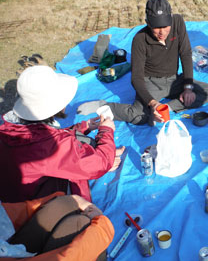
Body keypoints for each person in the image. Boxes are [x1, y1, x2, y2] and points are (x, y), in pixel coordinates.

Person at [77, 0, 208, 125]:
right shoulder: (140, 39)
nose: (162, 32)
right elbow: (136, 78)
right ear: (148, 23)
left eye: (165, 27)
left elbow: (185, 54)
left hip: (174, 80)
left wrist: (188, 87)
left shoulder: (178, 22)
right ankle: (105, 106)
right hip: (151, 83)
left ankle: (167, 108)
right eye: (156, 28)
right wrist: (153, 103)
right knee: (139, 116)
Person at [0, 65, 124, 203]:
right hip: (38, 208)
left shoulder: (9, 128)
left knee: (84, 144)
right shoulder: (50, 146)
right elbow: (98, 165)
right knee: (96, 162)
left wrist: (84, 127)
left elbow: (50, 134)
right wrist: (106, 132)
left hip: (15, 199)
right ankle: (105, 152)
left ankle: (105, 151)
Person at [0, 192, 114, 261]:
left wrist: (72, 199)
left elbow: (6, 215)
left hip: (11, 255)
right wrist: (103, 228)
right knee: (81, 224)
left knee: (66, 204)